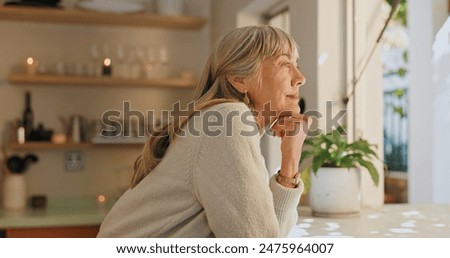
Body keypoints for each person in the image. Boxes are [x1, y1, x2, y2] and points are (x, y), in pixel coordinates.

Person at [97, 25, 311, 238]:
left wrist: (290, 158)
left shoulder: (226, 123)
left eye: (296, 64)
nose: (300, 77)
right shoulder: (228, 119)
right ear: (239, 79)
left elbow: (268, 235)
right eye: (284, 64)